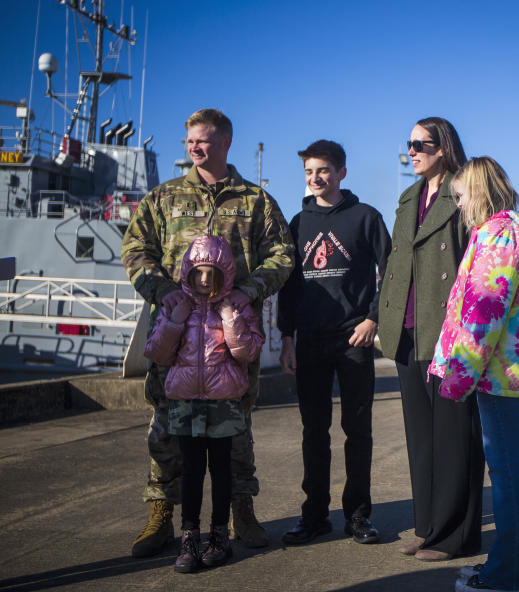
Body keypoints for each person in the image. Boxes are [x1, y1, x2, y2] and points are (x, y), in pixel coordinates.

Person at [122, 109, 294, 557]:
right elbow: (137, 250)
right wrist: (162, 292)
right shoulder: (163, 198)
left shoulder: (255, 201)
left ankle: (241, 508)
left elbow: (282, 254)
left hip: (230, 336)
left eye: (203, 141)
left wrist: (250, 290)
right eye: (190, 142)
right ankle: (161, 511)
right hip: (176, 332)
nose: (195, 149)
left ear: (225, 142)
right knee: (165, 421)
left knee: (236, 422)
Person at [428, 156, 519, 592]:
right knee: (517, 472)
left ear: (480, 193)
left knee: (507, 477)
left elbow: (483, 313)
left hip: (498, 374)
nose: (460, 204)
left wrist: (457, 377)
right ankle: (517, 568)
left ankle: (508, 575)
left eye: (462, 195)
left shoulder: (496, 236)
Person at [377, 117, 483, 561]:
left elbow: (479, 261)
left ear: (444, 147)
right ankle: (427, 527)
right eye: (409, 143)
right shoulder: (407, 198)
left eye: (421, 143)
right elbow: (395, 264)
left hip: (448, 335)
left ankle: (456, 535)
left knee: (455, 438)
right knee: (421, 438)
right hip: (407, 331)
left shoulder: (464, 193)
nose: (412, 151)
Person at [277, 140, 391, 546]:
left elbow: (391, 269)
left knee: (357, 430)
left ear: (341, 172)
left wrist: (373, 319)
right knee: (314, 432)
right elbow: (288, 286)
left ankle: (358, 515)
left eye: (322, 170)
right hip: (309, 341)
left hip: (353, 339)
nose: (315, 178)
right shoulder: (297, 224)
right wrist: (286, 337)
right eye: (309, 172)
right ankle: (314, 516)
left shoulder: (365, 217)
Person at [143, 235, 264, 573]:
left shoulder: (237, 306)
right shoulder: (174, 304)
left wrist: (231, 320)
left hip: (223, 401)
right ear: (188, 273)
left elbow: (249, 352)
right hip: (184, 401)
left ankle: (220, 537)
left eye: (213, 272)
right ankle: (190, 537)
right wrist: (174, 322)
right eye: (199, 272)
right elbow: (157, 352)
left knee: (222, 470)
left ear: (225, 273)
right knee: (192, 471)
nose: (206, 280)